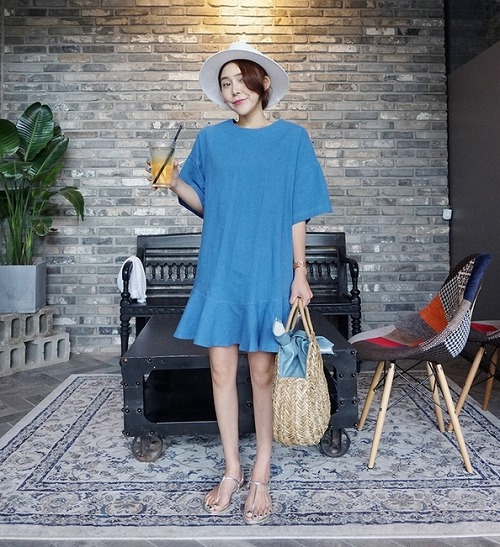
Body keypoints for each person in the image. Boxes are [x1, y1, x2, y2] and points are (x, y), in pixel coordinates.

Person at [167, 42, 332, 524]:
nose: (234, 90)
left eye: (241, 80)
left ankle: (261, 468)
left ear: (263, 84)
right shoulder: (211, 140)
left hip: (268, 269)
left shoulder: (292, 139)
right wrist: (172, 182)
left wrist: (300, 272)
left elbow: (298, 212)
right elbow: (208, 204)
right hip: (221, 267)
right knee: (221, 373)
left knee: (263, 374)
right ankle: (232, 469)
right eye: (225, 83)